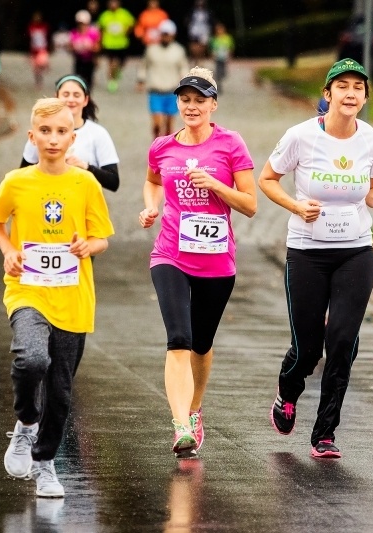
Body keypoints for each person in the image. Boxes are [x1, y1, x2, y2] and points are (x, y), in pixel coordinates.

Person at [258, 58, 373, 459]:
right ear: (327, 93)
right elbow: (267, 179)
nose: (350, 93)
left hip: (355, 250)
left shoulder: (371, 139)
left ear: (365, 97)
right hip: (308, 252)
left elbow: (372, 187)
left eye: (358, 87)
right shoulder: (300, 136)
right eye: (343, 86)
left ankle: (325, 433)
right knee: (308, 348)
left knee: (343, 341)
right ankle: (287, 391)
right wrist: (297, 208)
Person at [0, 97, 114, 497]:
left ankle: (45, 465)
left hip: (74, 297)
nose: (53, 139)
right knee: (30, 357)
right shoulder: (17, 182)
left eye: (61, 132)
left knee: (60, 390)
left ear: (73, 138)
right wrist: (9, 251)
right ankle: (25, 422)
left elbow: (103, 238)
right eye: (45, 131)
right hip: (28, 289)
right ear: (32, 137)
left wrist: (86, 247)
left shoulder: (85, 183)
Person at [138, 67, 256, 458]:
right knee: (179, 340)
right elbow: (153, 181)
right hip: (170, 252)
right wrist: (151, 207)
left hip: (216, 262)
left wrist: (217, 185)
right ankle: (180, 425)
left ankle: (194, 407)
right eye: (185, 100)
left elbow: (251, 205)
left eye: (200, 100)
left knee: (201, 344)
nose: (191, 107)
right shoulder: (162, 146)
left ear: (213, 105)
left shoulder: (231, 144)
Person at [20, 74, 120, 193]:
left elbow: (113, 182)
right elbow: (22, 176)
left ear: (85, 100)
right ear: (56, 98)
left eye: (76, 95)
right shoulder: (42, 131)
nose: (71, 100)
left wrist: (85, 166)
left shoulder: (98, 133)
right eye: (65, 94)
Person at [136, 19, 189, 138]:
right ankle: (156, 146)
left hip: (172, 91)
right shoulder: (151, 49)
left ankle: (167, 150)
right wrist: (141, 80)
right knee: (157, 124)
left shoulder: (178, 51)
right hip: (156, 91)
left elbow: (183, 68)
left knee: (169, 125)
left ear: (173, 35)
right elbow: (144, 66)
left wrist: (187, 84)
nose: (165, 37)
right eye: (163, 34)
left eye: (168, 34)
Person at [97, 0, 135, 93]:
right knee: (111, 63)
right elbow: (100, 28)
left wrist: (126, 32)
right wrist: (100, 41)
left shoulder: (124, 14)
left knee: (122, 63)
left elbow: (131, 24)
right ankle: (111, 81)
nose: (113, 5)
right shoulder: (105, 15)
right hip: (109, 43)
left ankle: (116, 73)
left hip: (121, 43)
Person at [68, 10, 100, 90]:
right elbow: (69, 47)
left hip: (90, 60)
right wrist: (75, 47)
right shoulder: (74, 33)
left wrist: (90, 47)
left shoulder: (93, 33)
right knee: (78, 80)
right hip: (79, 60)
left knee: (89, 81)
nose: (81, 25)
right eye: (79, 23)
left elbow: (97, 47)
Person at [27, 11, 51, 89]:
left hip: (42, 49)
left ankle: (45, 68)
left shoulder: (44, 26)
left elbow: (47, 37)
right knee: (36, 69)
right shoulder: (31, 27)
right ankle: (38, 81)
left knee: (41, 65)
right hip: (34, 50)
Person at [209, 21, 233, 86]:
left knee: (223, 70)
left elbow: (230, 47)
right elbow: (212, 49)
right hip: (217, 57)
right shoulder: (215, 39)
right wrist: (212, 55)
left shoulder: (227, 38)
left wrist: (230, 55)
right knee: (218, 69)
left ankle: (221, 76)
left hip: (224, 57)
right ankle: (218, 82)